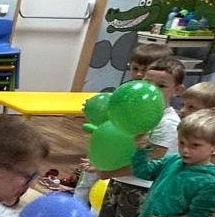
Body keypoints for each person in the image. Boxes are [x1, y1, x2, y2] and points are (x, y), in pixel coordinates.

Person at [90, 55, 186, 217]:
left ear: (178, 90)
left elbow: (153, 161)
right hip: (118, 181)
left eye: (161, 86)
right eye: (148, 83)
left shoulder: (168, 123)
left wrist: (109, 171)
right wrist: (101, 163)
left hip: (140, 189)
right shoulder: (130, 112)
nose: (152, 90)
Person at [67, 43, 171, 199]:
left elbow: (154, 156)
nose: (139, 75)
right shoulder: (126, 93)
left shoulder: (161, 116)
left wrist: (110, 170)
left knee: (103, 192)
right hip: (107, 153)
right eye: (135, 69)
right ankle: (78, 204)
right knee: (86, 181)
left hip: (127, 167)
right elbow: (110, 119)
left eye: (144, 70)